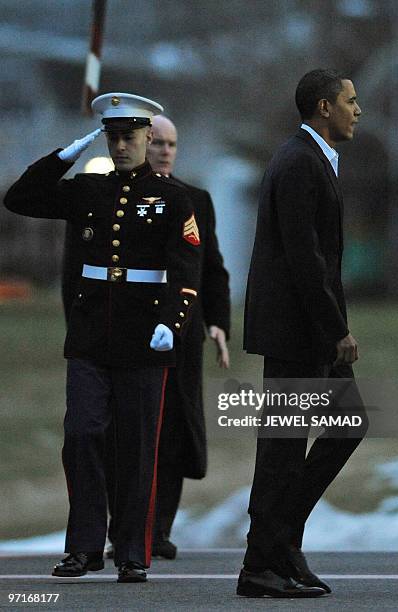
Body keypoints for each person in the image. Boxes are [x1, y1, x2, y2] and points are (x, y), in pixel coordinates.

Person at [4, 93, 201, 583]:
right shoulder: (89, 189)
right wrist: (67, 154)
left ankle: (132, 549)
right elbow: (20, 197)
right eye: (112, 137)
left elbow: (186, 268)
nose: (120, 146)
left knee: (136, 446)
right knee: (82, 435)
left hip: (143, 336)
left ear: (147, 139)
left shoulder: (174, 197)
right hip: (92, 335)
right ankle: (84, 547)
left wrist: (170, 324)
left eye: (128, 137)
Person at [62, 115, 231, 559]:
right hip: (115, 330)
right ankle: (116, 535)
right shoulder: (104, 193)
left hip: (175, 331)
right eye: (159, 142)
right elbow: (78, 265)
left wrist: (217, 323)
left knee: (169, 433)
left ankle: (155, 530)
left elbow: (207, 268)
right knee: (106, 431)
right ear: (145, 143)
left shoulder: (192, 199)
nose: (166, 151)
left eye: (173, 144)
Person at [239, 69, 368, 598]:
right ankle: (259, 565)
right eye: (350, 101)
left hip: (309, 331)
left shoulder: (313, 159)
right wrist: (335, 329)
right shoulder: (298, 163)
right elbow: (302, 258)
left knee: (346, 424)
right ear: (323, 108)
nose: (357, 110)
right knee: (283, 448)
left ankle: (282, 541)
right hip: (298, 333)